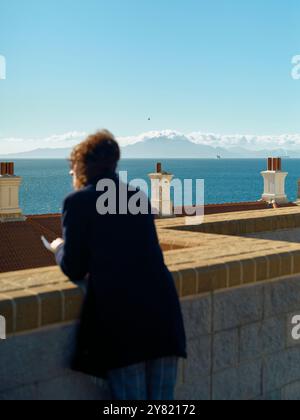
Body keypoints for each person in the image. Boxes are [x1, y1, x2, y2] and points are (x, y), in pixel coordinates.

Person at [51, 130, 187, 401]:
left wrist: (58, 248)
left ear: (80, 165)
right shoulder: (138, 197)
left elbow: (74, 267)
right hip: (163, 314)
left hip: (123, 323)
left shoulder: (77, 202)